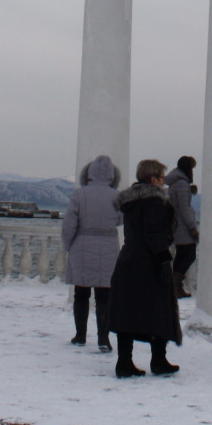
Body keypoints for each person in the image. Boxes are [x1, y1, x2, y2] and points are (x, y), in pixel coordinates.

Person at [107, 159, 182, 377]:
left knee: (128, 313)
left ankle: (124, 362)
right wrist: (163, 258)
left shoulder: (131, 202)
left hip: (129, 260)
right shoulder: (154, 202)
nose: (164, 182)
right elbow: (154, 234)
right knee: (159, 311)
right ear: (153, 179)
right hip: (148, 263)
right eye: (162, 178)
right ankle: (158, 360)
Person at [62, 154, 121, 351]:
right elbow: (121, 220)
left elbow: (69, 224)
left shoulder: (80, 194)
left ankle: (80, 335)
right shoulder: (116, 196)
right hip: (109, 246)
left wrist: (68, 244)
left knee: (81, 293)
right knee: (104, 295)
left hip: (82, 245)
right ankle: (103, 339)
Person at [165, 156, 199, 299]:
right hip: (183, 226)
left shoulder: (176, 183)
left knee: (181, 255)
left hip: (176, 224)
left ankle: (175, 286)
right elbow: (184, 208)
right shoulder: (181, 184)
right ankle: (175, 284)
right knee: (189, 254)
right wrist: (192, 227)